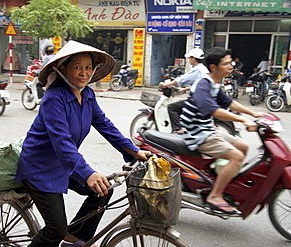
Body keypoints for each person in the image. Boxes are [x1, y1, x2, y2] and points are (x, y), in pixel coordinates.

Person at [15, 40, 150, 247]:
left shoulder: (87, 94)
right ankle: (64, 235)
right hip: (39, 168)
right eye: (77, 67)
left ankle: (73, 238)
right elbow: (62, 142)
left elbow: (104, 124)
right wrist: (87, 173)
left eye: (88, 68)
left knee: (102, 191)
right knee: (55, 230)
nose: (83, 73)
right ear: (63, 69)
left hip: (65, 164)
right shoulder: (54, 98)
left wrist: (132, 149)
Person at [180, 47, 263, 214]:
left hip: (208, 129)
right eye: (226, 64)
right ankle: (215, 195)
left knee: (243, 147)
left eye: (230, 62)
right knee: (236, 156)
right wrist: (243, 119)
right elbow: (215, 111)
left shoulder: (213, 83)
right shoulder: (202, 85)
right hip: (198, 134)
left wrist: (254, 113)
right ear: (213, 66)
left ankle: (221, 181)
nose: (230, 66)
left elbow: (229, 102)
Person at [159, 48, 209, 134]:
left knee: (172, 107)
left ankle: (178, 130)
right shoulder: (203, 69)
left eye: (190, 58)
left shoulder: (197, 70)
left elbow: (182, 79)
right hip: (204, 98)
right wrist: (184, 89)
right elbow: (198, 84)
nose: (189, 60)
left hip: (197, 100)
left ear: (194, 58)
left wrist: (165, 85)